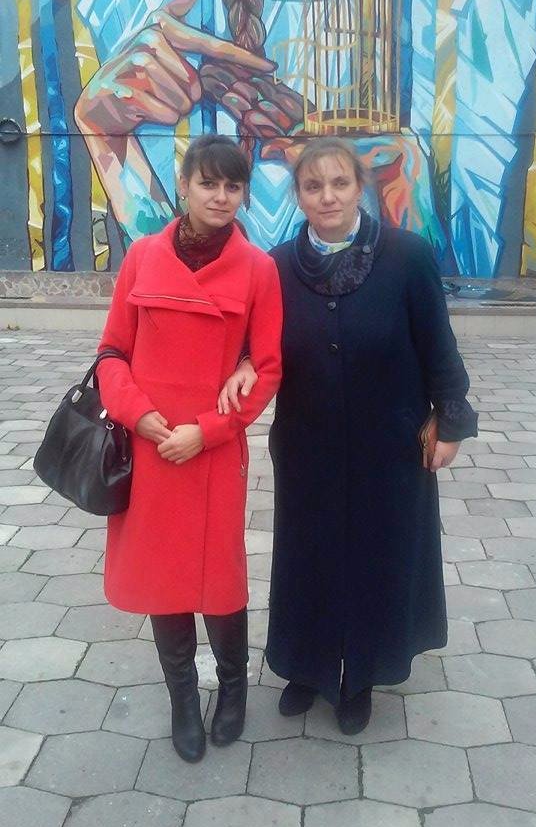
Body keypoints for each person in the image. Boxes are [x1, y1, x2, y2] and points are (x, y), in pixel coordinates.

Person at [219, 137, 478, 735]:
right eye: (314, 186)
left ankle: (360, 675)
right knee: (306, 557)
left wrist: (451, 419)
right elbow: (256, 342)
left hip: (390, 445)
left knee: (376, 557)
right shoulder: (276, 266)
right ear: (299, 196)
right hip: (306, 443)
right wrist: (243, 363)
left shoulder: (407, 256)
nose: (328, 196)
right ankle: (306, 669)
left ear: (360, 188)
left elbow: (438, 343)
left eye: (339, 183)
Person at [96, 135, 282, 762]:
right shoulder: (142, 257)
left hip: (212, 450)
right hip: (150, 450)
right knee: (163, 577)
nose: (220, 196)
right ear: (183, 186)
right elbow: (111, 352)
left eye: (233, 186)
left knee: (221, 580)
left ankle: (233, 689)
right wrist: (139, 415)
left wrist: (211, 429)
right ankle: (182, 697)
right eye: (208, 183)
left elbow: (269, 367)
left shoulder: (258, 269)